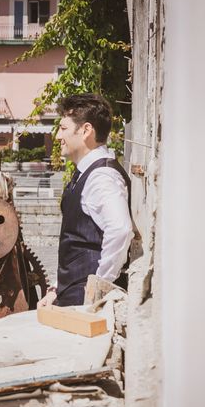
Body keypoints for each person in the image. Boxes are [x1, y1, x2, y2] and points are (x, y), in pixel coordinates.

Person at [38, 94, 134, 307]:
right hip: (74, 296)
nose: (57, 136)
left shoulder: (102, 177)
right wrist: (56, 289)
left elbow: (120, 230)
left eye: (63, 128)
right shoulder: (86, 173)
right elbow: (77, 244)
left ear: (86, 130)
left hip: (86, 303)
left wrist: (98, 289)